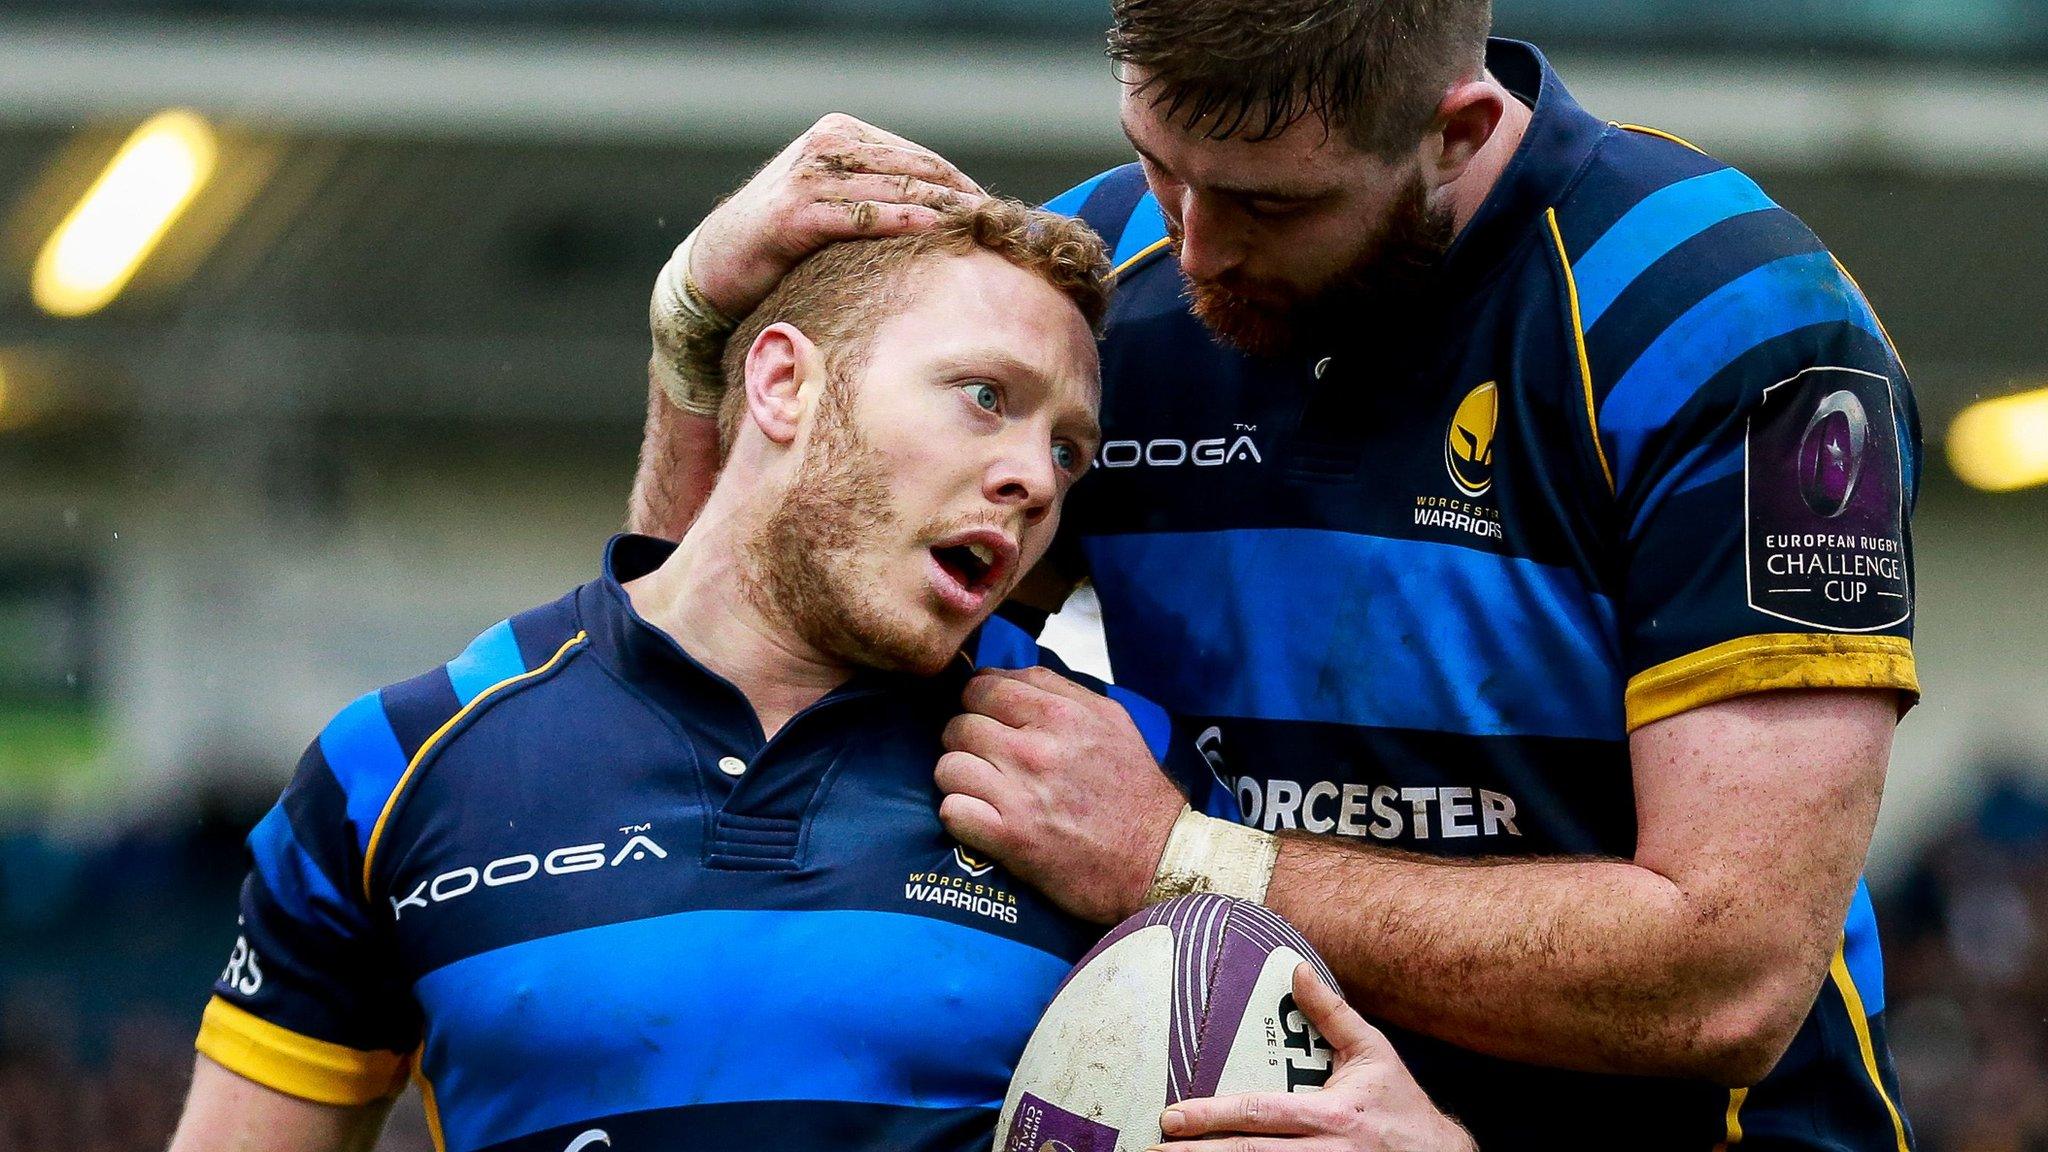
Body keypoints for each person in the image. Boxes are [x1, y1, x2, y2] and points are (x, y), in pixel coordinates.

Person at [629, 2, 1924, 1149]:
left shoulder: (1732, 324)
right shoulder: (1105, 282)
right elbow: (748, 640)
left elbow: (1728, 975)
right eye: (1156, 163)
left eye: (1268, 204)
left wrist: (1180, 859)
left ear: (1457, 132)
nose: (1192, 248)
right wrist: (696, 337)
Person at [168, 201, 1471, 1152]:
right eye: (983, 396)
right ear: (786, 383)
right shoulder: (394, 765)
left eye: (1070, 450)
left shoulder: (1117, 780)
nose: (1033, 478)